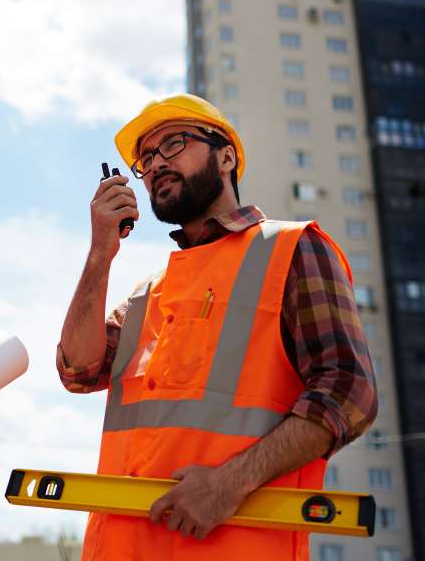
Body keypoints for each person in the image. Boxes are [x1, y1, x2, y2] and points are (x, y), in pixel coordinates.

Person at [57, 94, 377, 560]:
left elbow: (350, 392)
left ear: (225, 156)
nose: (156, 164)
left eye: (174, 144)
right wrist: (99, 254)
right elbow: (77, 370)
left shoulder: (291, 248)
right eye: (146, 158)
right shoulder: (149, 292)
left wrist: (231, 483)